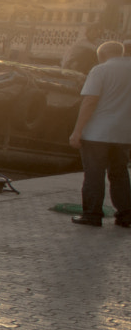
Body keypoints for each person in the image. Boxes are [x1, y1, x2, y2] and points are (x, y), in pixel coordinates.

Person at [70, 39, 131, 228]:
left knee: (94, 174)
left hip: (97, 133)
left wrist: (77, 131)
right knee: (120, 174)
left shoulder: (101, 70)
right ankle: (126, 216)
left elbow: (90, 101)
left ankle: (92, 215)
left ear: (102, 55)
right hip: (123, 134)